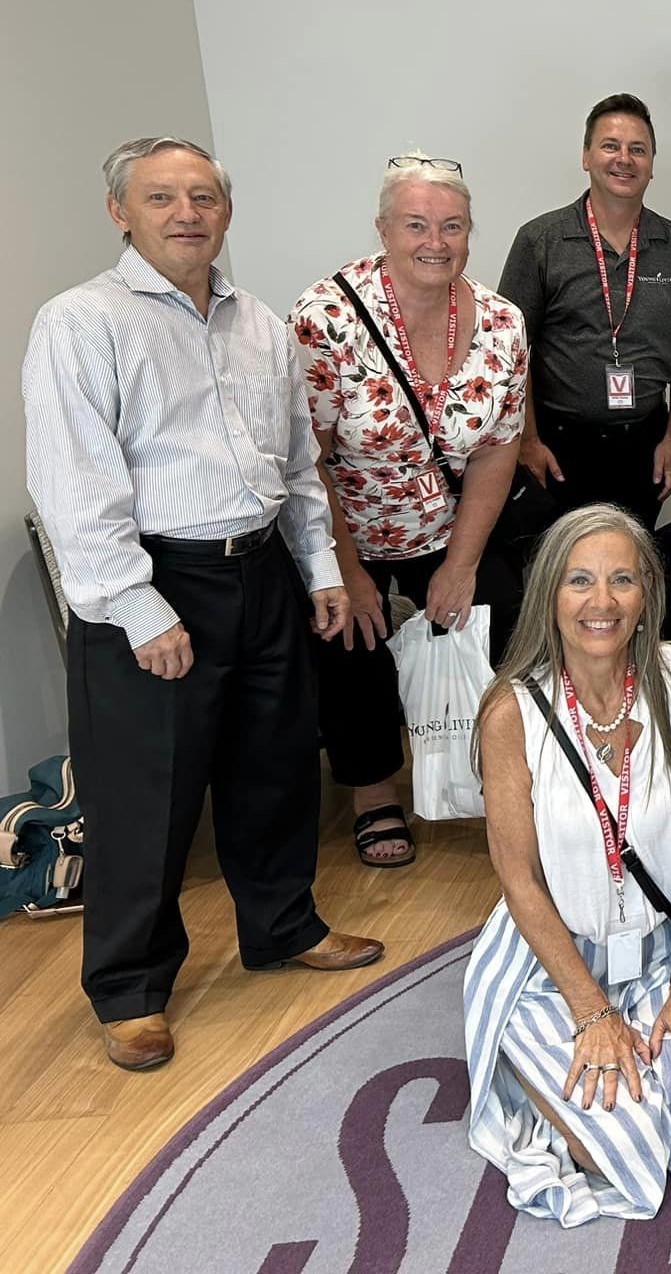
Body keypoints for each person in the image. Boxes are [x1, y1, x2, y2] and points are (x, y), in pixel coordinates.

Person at [23, 136, 381, 1072]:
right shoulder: (79, 323)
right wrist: (139, 609)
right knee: (148, 795)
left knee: (275, 764)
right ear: (121, 212)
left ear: (225, 211)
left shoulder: (260, 323)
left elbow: (297, 465)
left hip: (259, 570)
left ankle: (282, 925)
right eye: (163, 197)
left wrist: (323, 573)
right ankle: (131, 990)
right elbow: (75, 485)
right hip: (153, 579)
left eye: (204, 197)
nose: (188, 213)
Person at [464, 505, 671, 1226]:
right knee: (629, 1144)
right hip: (553, 969)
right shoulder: (510, 713)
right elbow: (518, 878)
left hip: (661, 950)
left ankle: (611, 1067)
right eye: (579, 581)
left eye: (621, 580)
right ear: (550, 594)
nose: (601, 602)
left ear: (647, 595)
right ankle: (518, 1052)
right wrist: (592, 1014)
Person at [290, 153, 529, 868]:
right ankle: (372, 792)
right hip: (345, 523)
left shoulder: (501, 322)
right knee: (349, 634)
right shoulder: (325, 319)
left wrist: (460, 566)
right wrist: (346, 569)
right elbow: (308, 458)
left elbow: (497, 449)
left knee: (499, 613)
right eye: (417, 224)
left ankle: (490, 778)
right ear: (384, 229)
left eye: (453, 226)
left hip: (451, 522)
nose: (437, 241)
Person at [499, 93, 671, 528]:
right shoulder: (541, 241)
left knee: (632, 569)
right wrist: (528, 439)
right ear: (586, 156)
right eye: (610, 145)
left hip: (644, 444)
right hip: (558, 446)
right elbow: (510, 351)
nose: (624, 159)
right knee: (558, 572)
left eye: (638, 149)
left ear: (652, 164)